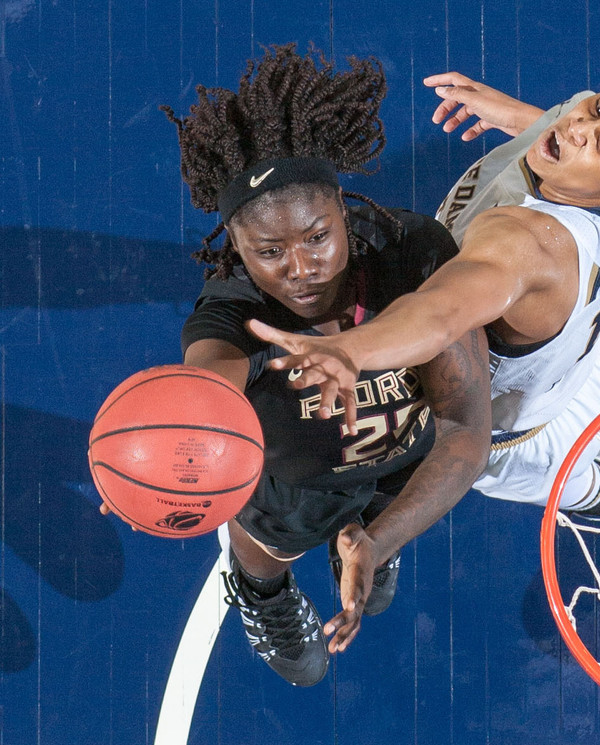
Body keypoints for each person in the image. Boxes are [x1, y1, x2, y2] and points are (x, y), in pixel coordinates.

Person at [249, 65, 600, 524]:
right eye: (598, 107)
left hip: (531, 431)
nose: (580, 124)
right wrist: (517, 115)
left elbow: (440, 312)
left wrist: (354, 350)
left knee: (553, 475)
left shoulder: (527, 245)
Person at [154, 45, 491, 688]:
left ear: (343, 207)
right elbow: (203, 387)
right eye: (270, 250)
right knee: (264, 548)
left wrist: (381, 539)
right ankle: (265, 598)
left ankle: (364, 538)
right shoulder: (231, 319)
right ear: (237, 248)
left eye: (316, 236)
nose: (301, 267)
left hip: (405, 459)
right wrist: (156, 445)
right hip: (298, 486)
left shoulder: (412, 254)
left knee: (381, 550)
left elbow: (467, 430)